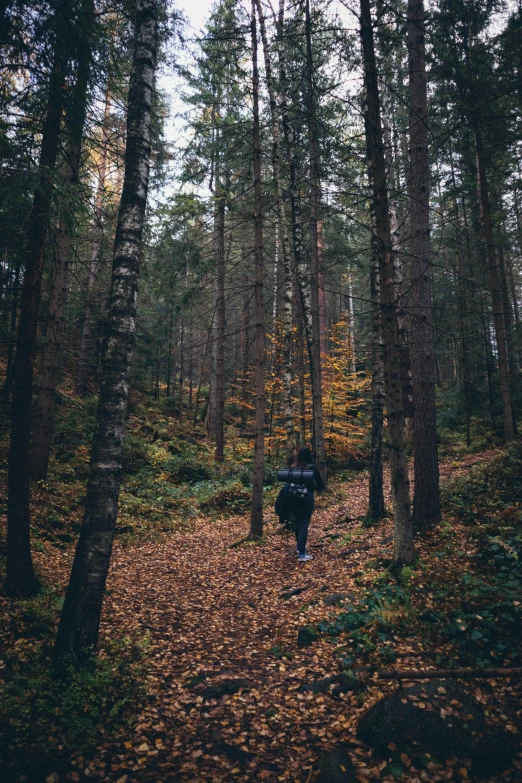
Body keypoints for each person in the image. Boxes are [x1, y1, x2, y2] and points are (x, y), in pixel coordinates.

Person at [290, 446, 324, 562]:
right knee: (304, 524)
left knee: (298, 523)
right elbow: (321, 485)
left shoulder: (293, 467)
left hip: (293, 499)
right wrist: (312, 486)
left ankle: (299, 549)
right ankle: (302, 554)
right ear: (309, 455)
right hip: (307, 498)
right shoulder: (312, 468)